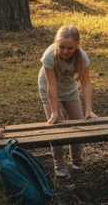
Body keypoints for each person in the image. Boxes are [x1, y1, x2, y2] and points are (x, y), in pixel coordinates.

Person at [39, 26, 97, 177]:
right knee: (56, 125)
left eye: (70, 48)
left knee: (77, 121)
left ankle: (77, 161)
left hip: (69, 87)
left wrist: (89, 109)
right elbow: (52, 86)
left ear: (77, 46)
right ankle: (59, 163)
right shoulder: (49, 56)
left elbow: (86, 83)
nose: (65, 51)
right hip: (49, 87)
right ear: (56, 44)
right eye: (62, 47)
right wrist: (54, 112)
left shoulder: (82, 57)